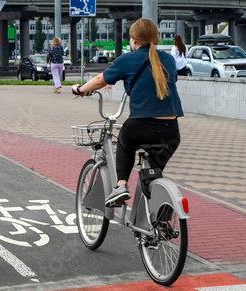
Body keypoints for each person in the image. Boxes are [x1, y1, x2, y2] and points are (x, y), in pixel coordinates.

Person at [72, 18, 183, 206]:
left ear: (133, 40)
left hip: (140, 127)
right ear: (154, 38)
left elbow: (100, 79)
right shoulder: (169, 59)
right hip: (171, 132)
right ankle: (158, 220)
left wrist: (80, 89)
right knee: (152, 174)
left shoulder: (128, 59)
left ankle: (121, 186)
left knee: (125, 140)